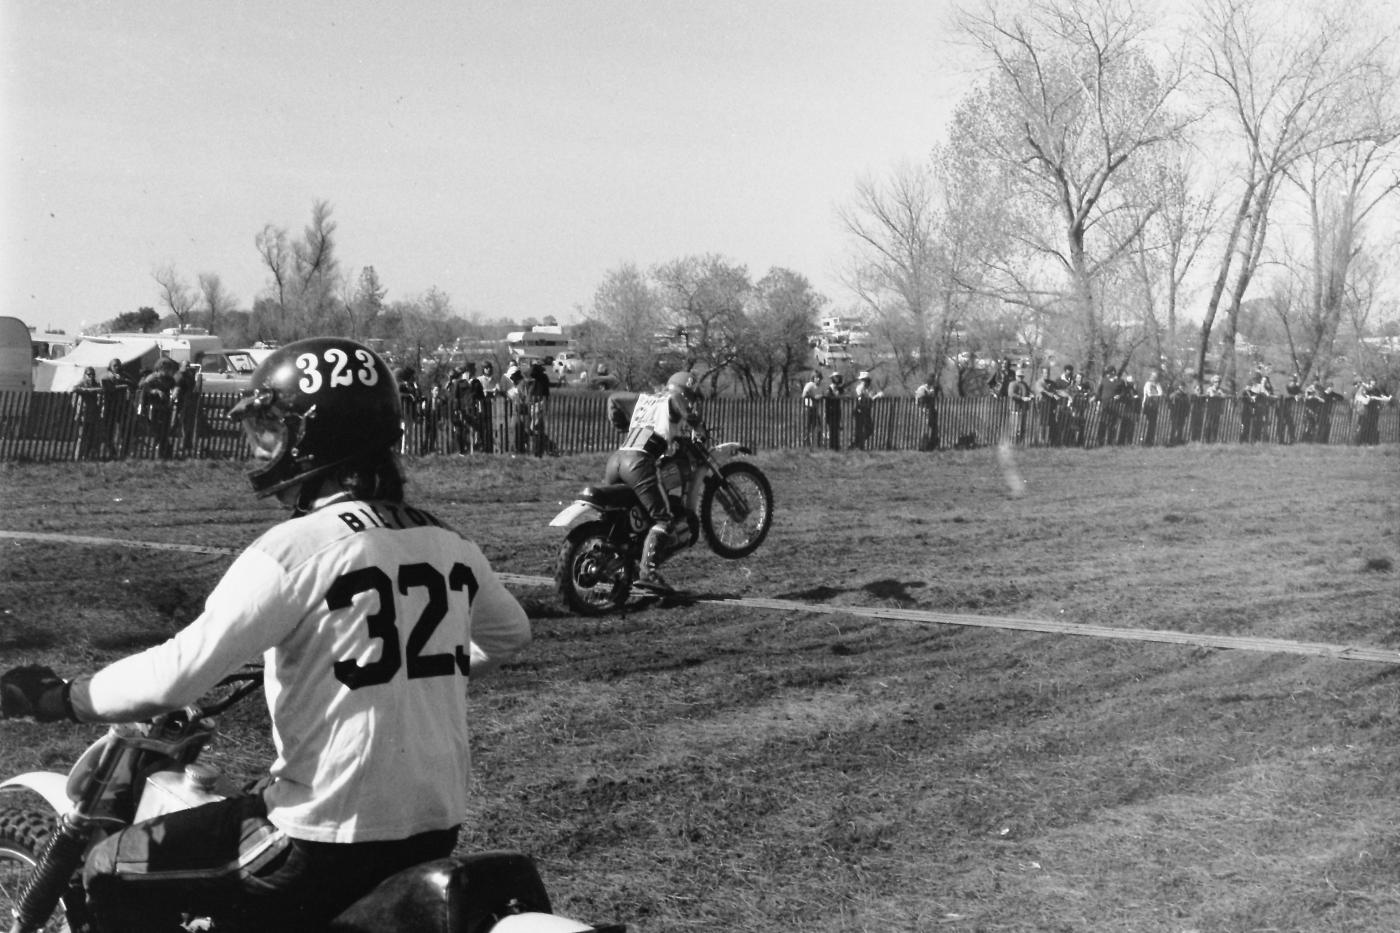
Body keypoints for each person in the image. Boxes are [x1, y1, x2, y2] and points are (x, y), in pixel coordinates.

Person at [0, 336, 531, 933]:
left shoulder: (295, 549)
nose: (260, 449)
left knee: (108, 865)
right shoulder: (449, 542)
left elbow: (177, 673)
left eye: (272, 430)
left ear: (314, 436)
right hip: (433, 829)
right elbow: (509, 635)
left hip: (318, 837)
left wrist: (63, 695)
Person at [604, 370, 704, 592]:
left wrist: (622, 427)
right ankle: (648, 572)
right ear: (686, 392)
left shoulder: (646, 399)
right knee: (664, 519)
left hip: (616, 460)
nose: (692, 404)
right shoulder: (672, 399)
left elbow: (613, 399)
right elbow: (676, 399)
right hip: (639, 461)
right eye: (692, 398)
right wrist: (695, 423)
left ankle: (619, 565)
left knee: (620, 518)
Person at [138, 357, 179, 459]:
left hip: (165, 407)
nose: (169, 371)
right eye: (166, 368)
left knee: (165, 430)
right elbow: (144, 388)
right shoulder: (152, 378)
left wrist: (174, 393)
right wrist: (155, 391)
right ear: (160, 368)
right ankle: (159, 449)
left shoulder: (169, 379)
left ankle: (163, 452)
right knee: (156, 429)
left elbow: (175, 386)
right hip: (153, 407)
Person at [99, 357, 136, 459]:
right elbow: (108, 388)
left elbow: (134, 383)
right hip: (110, 407)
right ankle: (111, 452)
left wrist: (123, 380)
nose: (117, 367)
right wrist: (123, 386)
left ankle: (123, 452)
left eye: (119, 365)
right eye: (115, 365)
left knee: (123, 431)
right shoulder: (106, 376)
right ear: (110, 366)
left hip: (123, 407)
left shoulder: (124, 375)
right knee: (109, 431)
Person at [71, 366, 104, 460]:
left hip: (93, 415)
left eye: (93, 374)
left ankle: (87, 456)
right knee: (81, 437)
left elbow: (101, 391)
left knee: (91, 437)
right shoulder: (81, 383)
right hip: (83, 415)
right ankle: (77, 457)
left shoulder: (96, 384)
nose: (91, 376)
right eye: (89, 374)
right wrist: (87, 390)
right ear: (85, 375)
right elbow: (75, 389)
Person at [173, 359, 204, 456]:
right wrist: (173, 399)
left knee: (188, 425)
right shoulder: (179, 376)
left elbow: (194, 388)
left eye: (188, 365)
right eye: (186, 365)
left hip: (189, 403)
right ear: (180, 366)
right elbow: (176, 389)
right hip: (181, 403)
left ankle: (186, 444)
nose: (187, 367)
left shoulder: (189, 376)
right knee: (179, 424)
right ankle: (180, 445)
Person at [851, 371, 880, 450]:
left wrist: (874, 397)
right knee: (859, 430)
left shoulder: (871, 387)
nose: (864, 381)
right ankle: (858, 446)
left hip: (867, 410)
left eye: (865, 380)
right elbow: (861, 397)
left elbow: (879, 393)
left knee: (869, 429)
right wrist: (873, 397)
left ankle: (857, 444)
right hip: (859, 410)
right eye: (863, 380)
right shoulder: (859, 388)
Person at [914, 372, 940, 451]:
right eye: (932, 379)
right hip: (924, 410)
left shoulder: (932, 388)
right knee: (925, 429)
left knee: (932, 429)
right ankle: (922, 446)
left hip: (931, 410)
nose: (933, 381)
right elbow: (920, 399)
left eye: (934, 379)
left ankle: (930, 446)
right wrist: (929, 396)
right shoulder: (922, 388)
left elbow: (934, 398)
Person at [505, 368, 529, 454]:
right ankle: (519, 448)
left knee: (517, 429)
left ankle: (518, 448)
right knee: (518, 429)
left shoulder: (522, 384)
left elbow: (523, 398)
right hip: (519, 410)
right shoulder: (520, 384)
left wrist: (513, 395)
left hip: (521, 411)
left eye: (513, 379)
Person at [1007, 368, 1032, 444]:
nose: (1020, 378)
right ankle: (1013, 443)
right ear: (1016, 376)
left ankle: (1021, 443)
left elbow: (1029, 391)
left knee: (1022, 427)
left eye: (1022, 376)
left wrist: (1031, 395)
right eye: (1019, 376)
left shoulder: (1024, 384)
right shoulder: (1012, 384)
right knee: (1015, 427)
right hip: (1015, 408)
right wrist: (1022, 398)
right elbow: (1011, 394)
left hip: (1023, 408)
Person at [801, 370, 824, 448]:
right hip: (808, 408)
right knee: (807, 427)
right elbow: (804, 394)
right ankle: (806, 444)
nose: (818, 379)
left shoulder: (820, 387)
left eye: (820, 378)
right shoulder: (810, 385)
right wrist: (813, 398)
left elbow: (821, 396)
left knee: (817, 427)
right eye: (817, 377)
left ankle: (817, 444)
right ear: (813, 378)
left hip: (815, 409)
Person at [823, 372, 846, 451]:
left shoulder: (840, 388)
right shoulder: (829, 389)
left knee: (836, 430)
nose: (837, 379)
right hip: (830, 411)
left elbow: (845, 395)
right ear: (832, 378)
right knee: (831, 430)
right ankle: (831, 447)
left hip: (837, 411)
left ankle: (836, 447)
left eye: (838, 377)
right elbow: (828, 398)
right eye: (835, 377)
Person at [1140, 369, 1163, 446]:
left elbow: (1161, 393)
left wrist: (1156, 394)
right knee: (1145, 423)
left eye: (1155, 376)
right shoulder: (1148, 384)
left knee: (1152, 424)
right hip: (1148, 405)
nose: (1154, 377)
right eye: (1153, 376)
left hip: (1155, 406)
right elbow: (1150, 394)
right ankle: (1143, 440)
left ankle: (1150, 440)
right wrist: (1156, 395)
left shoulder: (1157, 384)